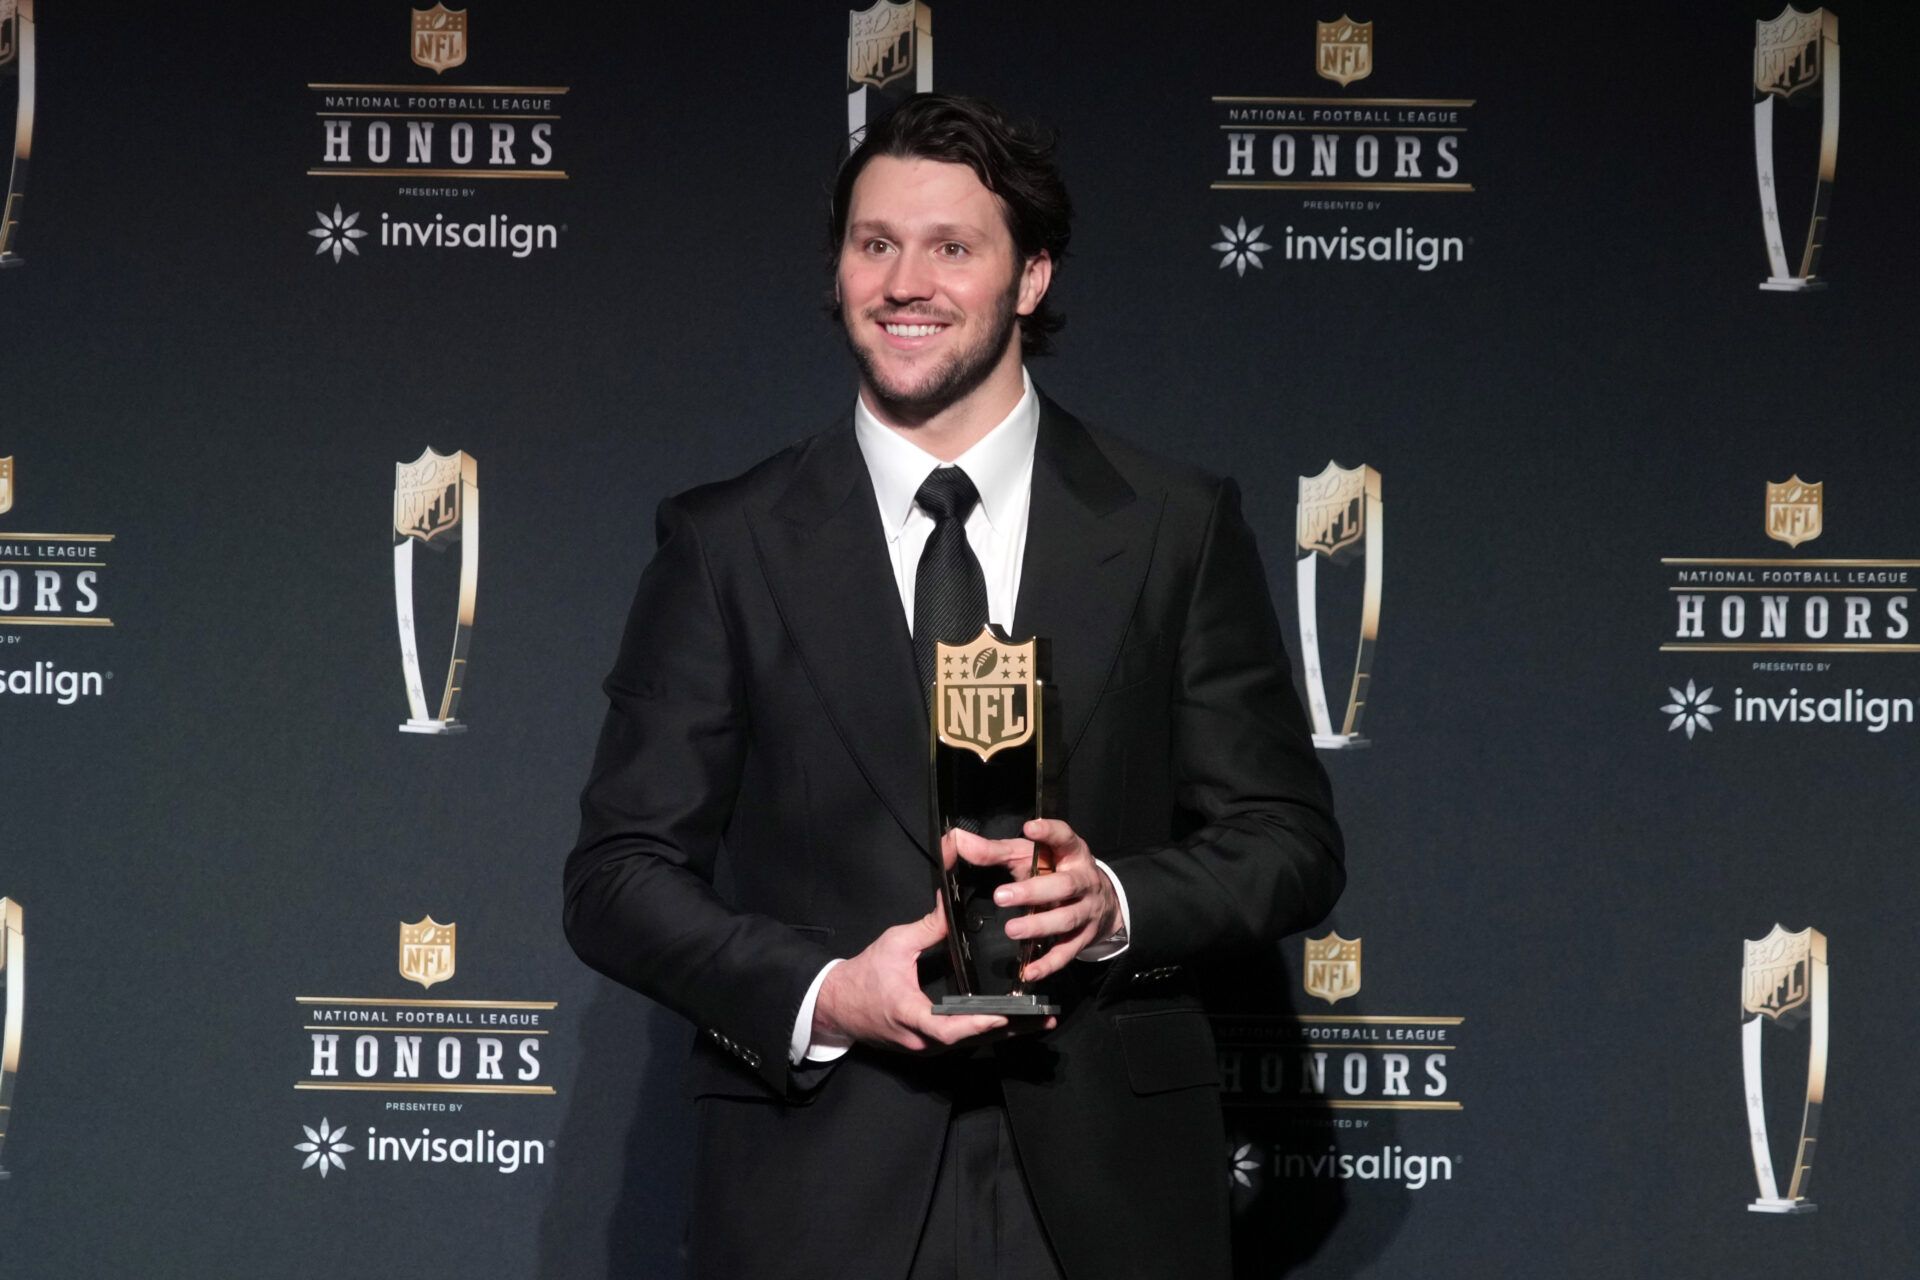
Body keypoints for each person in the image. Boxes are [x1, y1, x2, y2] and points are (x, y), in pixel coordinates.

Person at [564, 93, 1343, 1279]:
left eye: (951, 246)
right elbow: (617, 876)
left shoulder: (1175, 524)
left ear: (1030, 277)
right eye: (874, 244)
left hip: (1110, 1185)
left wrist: (1114, 903)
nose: (903, 281)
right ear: (837, 272)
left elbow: (1286, 837)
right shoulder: (726, 541)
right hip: (818, 1179)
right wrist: (829, 992)